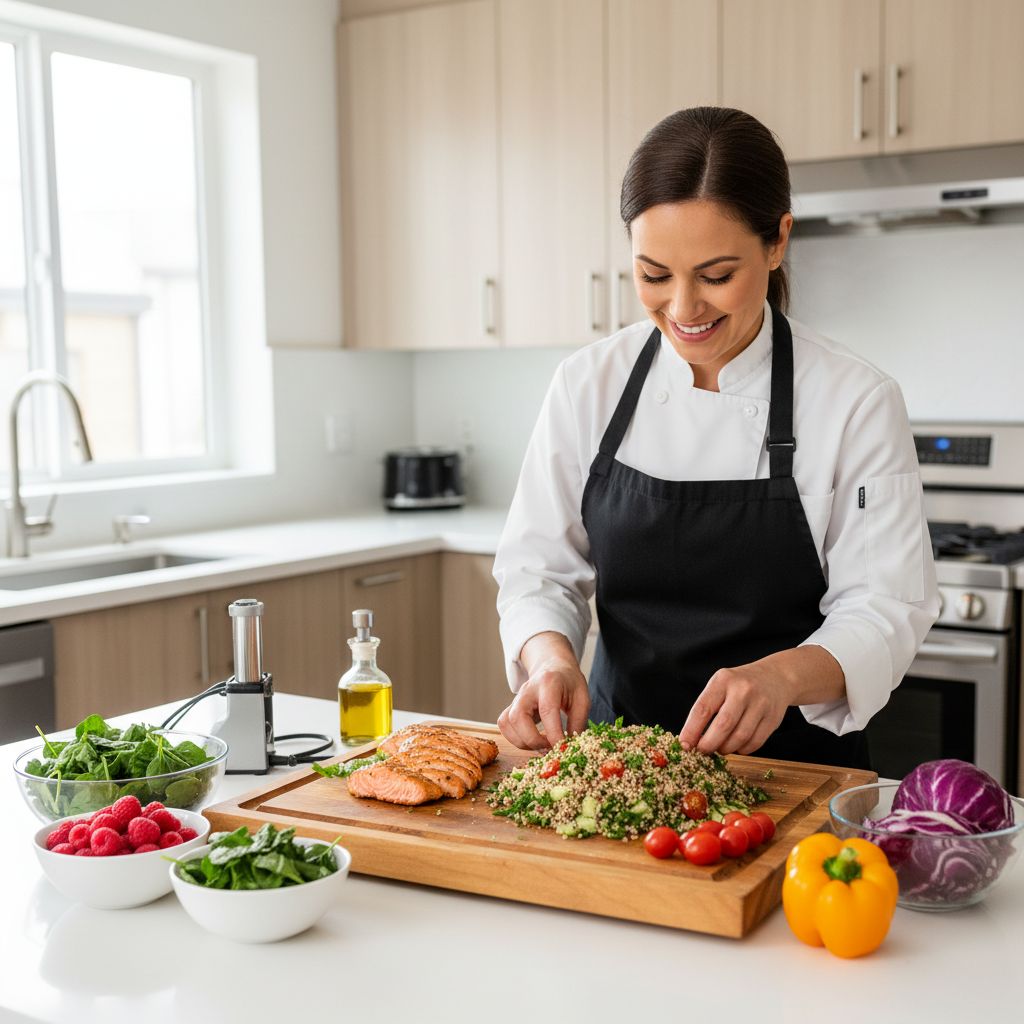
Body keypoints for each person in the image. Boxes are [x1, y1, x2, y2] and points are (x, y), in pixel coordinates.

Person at [492, 107, 940, 768]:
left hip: (793, 773)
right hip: (621, 768)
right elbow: (537, 571)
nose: (682, 310)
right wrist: (549, 657)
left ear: (778, 241)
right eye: (653, 276)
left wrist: (782, 678)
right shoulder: (588, 383)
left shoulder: (855, 400)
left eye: (715, 276)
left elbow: (885, 606)